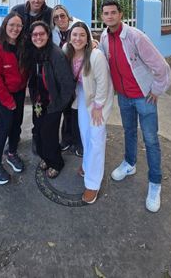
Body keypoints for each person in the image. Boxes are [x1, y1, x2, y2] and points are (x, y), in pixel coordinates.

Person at [98, 0, 171, 213]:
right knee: (128, 132)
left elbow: (161, 67)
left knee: (150, 140)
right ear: (102, 17)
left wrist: (156, 90)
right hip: (124, 97)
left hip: (143, 97)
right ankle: (129, 164)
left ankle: (155, 183)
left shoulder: (135, 37)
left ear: (121, 14)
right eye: (106, 13)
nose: (110, 16)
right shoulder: (104, 37)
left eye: (113, 12)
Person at [63, 21, 114, 204]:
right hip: (82, 95)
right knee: (85, 134)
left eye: (82, 35)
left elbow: (103, 83)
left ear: (88, 38)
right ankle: (86, 165)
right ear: (69, 38)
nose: (77, 38)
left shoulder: (96, 55)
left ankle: (93, 183)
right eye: (74, 35)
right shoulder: (66, 51)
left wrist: (98, 107)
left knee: (96, 138)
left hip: (98, 100)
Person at [21, 21, 75, 179]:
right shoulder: (34, 52)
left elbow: (67, 83)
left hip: (53, 103)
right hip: (39, 102)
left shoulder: (56, 54)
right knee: (38, 131)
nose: (38, 37)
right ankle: (46, 158)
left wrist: (58, 105)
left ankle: (56, 163)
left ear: (48, 35)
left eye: (42, 34)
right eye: (35, 34)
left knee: (49, 134)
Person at [0, 11, 30, 185]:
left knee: (17, 124)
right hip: (3, 94)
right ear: (5, 26)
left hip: (19, 92)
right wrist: (8, 102)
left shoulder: (22, 45)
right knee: (5, 126)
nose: (15, 28)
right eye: (12, 25)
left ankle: (11, 153)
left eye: (19, 25)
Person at [51, 4, 84, 157]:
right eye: (56, 17)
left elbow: (89, 44)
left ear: (68, 16)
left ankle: (78, 142)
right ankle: (66, 139)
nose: (60, 19)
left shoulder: (78, 27)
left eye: (62, 15)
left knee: (77, 112)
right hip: (62, 79)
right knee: (66, 109)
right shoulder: (54, 33)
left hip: (79, 79)